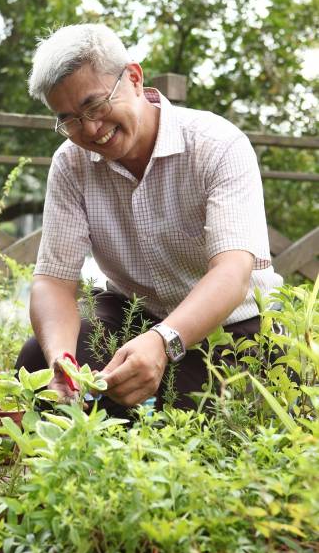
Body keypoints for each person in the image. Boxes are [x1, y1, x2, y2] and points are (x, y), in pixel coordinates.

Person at [16, 24, 282, 412]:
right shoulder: (70, 164)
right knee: (39, 363)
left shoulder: (218, 145)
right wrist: (64, 358)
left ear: (134, 79)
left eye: (96, 105)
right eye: (70, 119)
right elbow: (53, 281)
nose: (91, 128)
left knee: (184, 410)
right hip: (133, 314)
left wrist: (163, 342)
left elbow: (233, 272)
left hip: (234, 327)